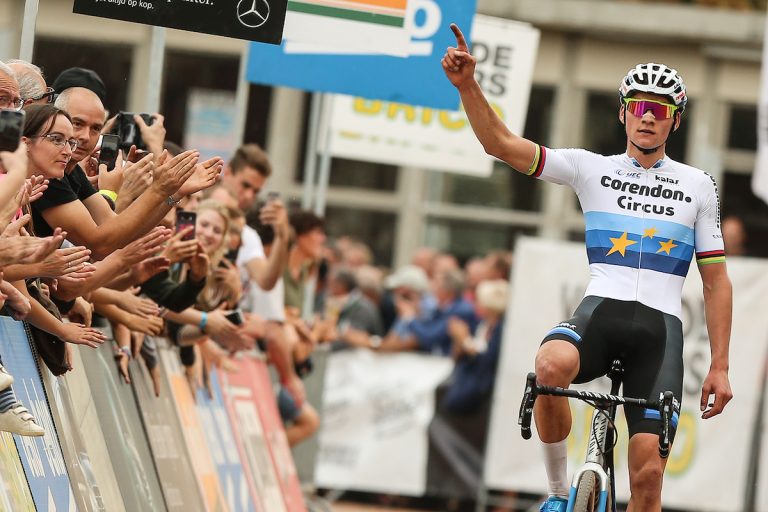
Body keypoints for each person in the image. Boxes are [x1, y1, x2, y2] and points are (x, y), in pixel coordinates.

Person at [443, 26, 732, 512]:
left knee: (648, 478)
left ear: (674, 123)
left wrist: (720, 365)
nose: (648, 117)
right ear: (623, 112)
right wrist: (468, 86)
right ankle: (558, 494)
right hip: (600, 312)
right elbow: (502, 145)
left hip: (658, 334)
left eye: (660, 110)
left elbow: (716, 280)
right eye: (638, 106)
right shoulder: (588, 168)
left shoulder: (699, 185)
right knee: (548, 367)